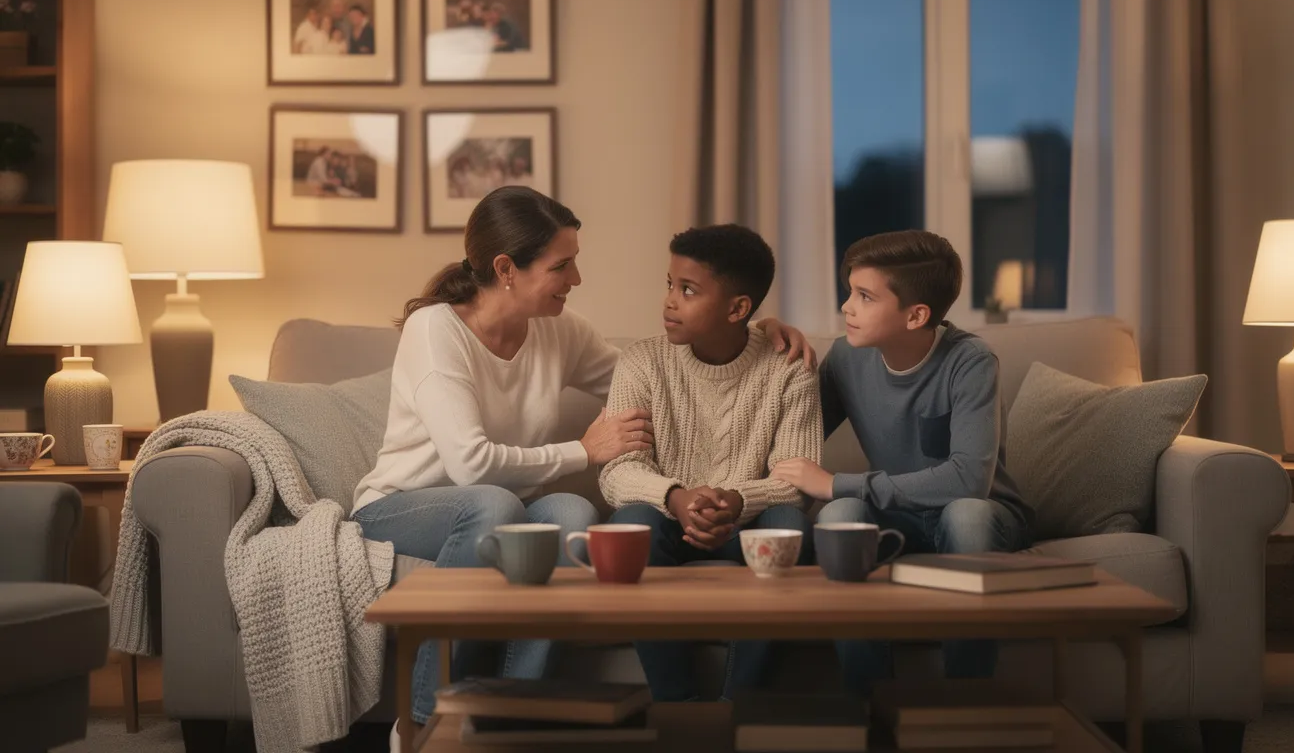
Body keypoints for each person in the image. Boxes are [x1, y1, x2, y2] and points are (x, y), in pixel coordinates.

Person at [350, 187, 816, 745]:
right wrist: (585, 451)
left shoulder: (559, 328)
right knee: (492, 504)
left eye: (574, 261)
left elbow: (663, 373)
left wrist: (754, 331)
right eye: (561, 266)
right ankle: (425, 720)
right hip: (402, 506)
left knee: (572, 513)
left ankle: (508, 709)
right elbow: (470, 466)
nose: (576, 278)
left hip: (501, 506)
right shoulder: (435, 330)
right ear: (506, 269)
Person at [770, 230, 1034, 695]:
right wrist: (759, 338)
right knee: (839, 515)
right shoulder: (846, 357)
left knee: (965, 514)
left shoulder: (971, 361)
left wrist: (839, 483)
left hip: (982, 516)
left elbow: (969, 480)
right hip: (899, 517)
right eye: (850, 291)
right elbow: (790, 433)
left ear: (916, 315)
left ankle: (968, 699)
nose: (846, 307)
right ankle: (869, 696)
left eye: (865, 296)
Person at [600, 224, 822, 702]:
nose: (669, 301)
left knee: (789, 525)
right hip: (666, 521)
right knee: (630, 524)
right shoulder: (641, 361)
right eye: (669, 284)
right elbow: (617, 472)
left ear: (738, 309)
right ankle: (676, 704)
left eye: (688, 290)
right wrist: (676, 498)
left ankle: (737, 705)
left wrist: (737, 499)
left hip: (744, 526)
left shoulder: (790, 368)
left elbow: (798, 480)